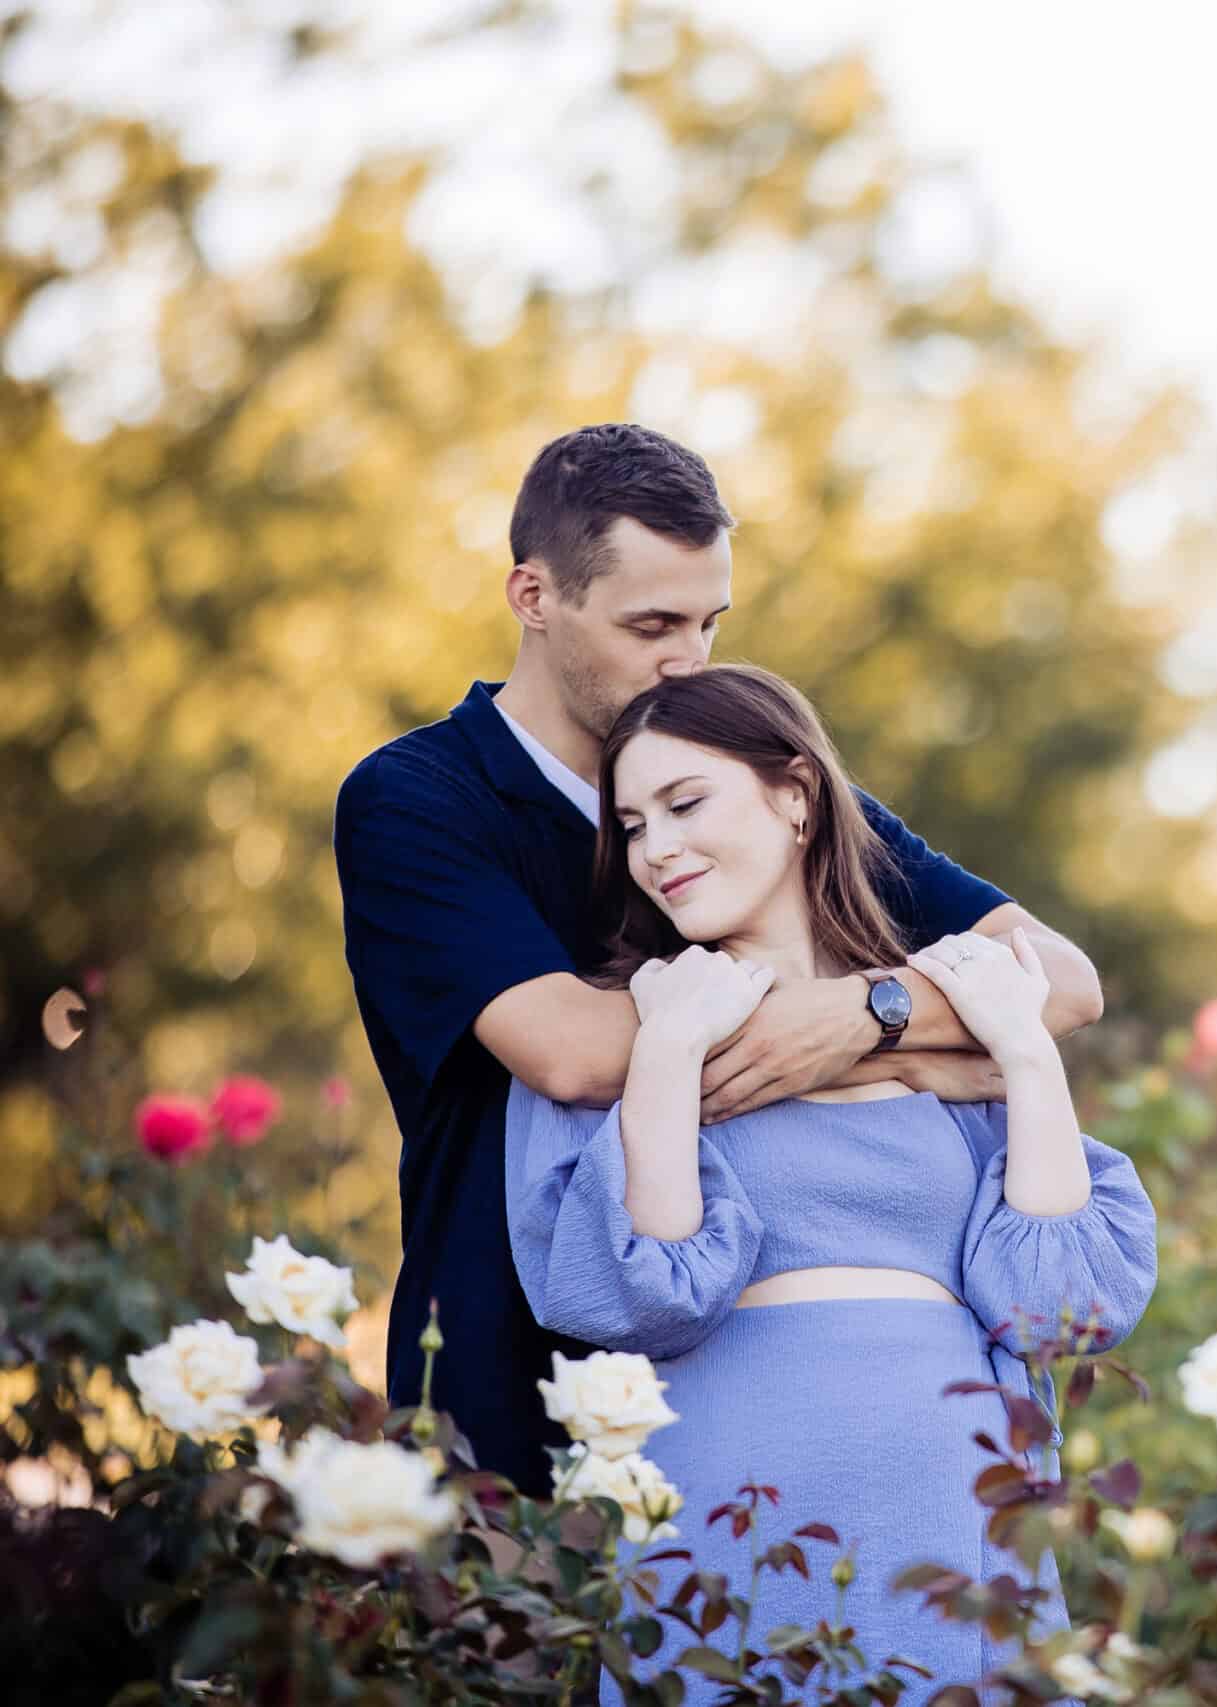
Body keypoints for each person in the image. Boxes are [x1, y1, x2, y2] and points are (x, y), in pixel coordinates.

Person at [333, 423, 1105, 1493]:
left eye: (708, 621)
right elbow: (573, 1054)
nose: (687, 659)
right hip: (508, 1390)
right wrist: (929, 1054)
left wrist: (866, 1014)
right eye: (651, 624)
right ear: (534, 596)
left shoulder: (752, 781)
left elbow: (1061, 983)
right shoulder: (419, 798)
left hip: (752, 1407)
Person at [506, 663, 1157, 1702]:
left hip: (953, 1500)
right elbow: (640, 1295)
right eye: (630, 826)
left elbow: (1060, 1308)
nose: (656, 848)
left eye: (684, 803)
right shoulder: (628, 1026)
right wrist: (668, 1051)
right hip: (727, 1491)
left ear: (797, 795)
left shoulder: (953, 1018)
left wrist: (1027, 1057)